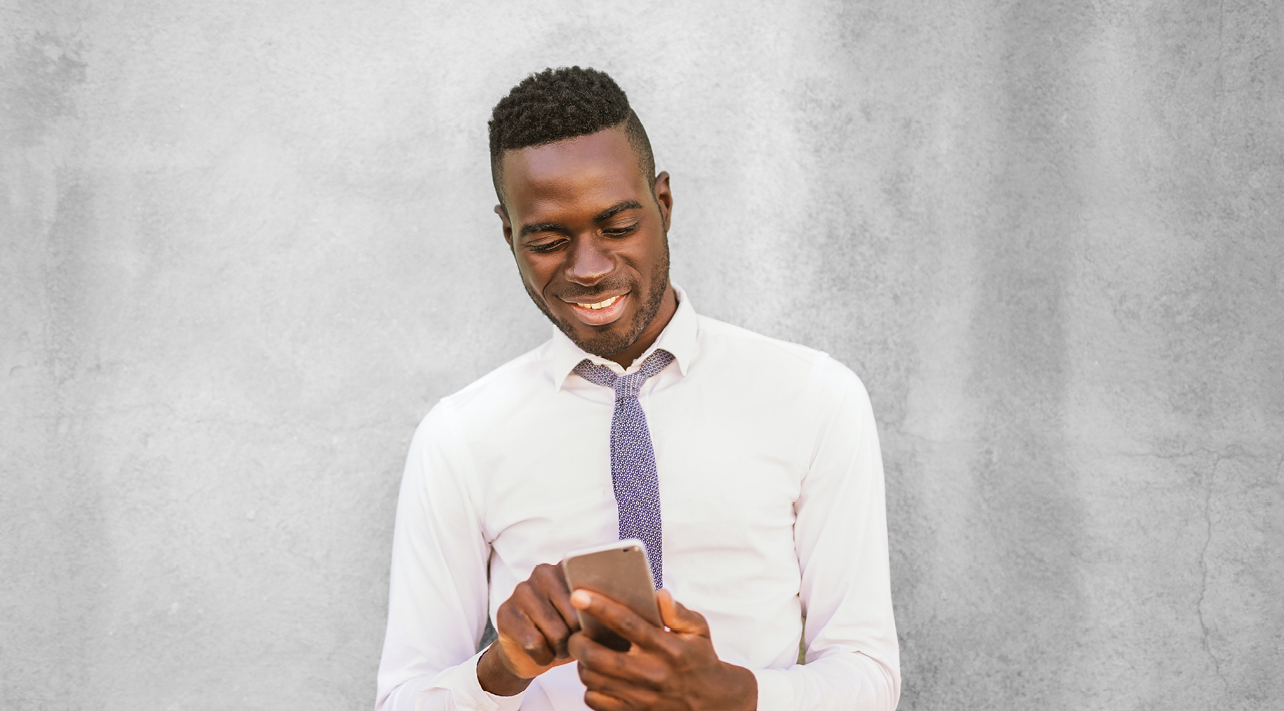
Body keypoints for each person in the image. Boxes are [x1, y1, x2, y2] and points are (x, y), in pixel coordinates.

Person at [376, 66, 899, 711]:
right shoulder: (460, 438)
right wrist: (501, 669)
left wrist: (732, 695)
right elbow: (404, 700)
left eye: (619, 227)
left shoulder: (816, 399)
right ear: (508, 234)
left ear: (665, 205)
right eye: (546, 240)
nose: (590, 268)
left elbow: (868, 676)